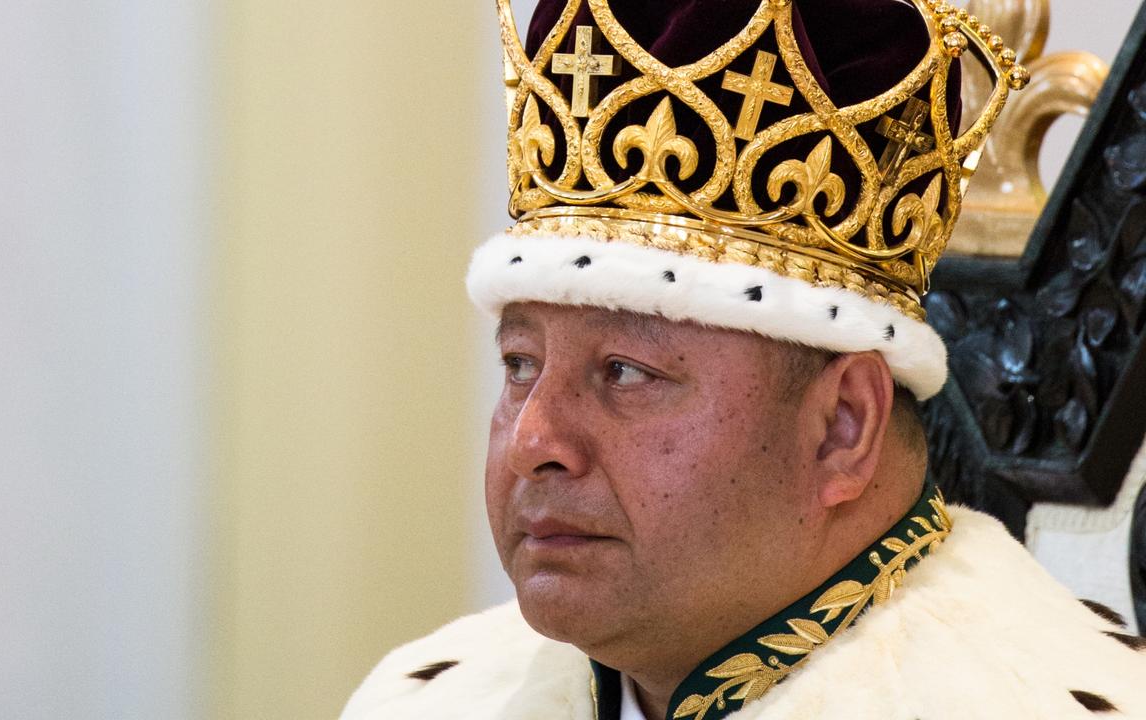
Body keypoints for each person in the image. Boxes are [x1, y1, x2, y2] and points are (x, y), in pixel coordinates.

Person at [343, 1, 1146, 718]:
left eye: (625, 371)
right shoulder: (425, 697)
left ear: (842, 426)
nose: (533, 442)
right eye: (520, 364)